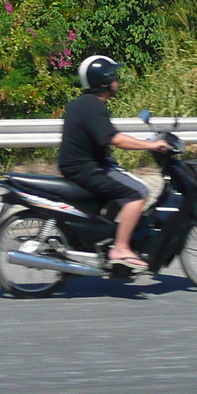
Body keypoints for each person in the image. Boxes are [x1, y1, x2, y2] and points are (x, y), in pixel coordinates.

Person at [57, 54, 167, 272]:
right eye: (114, 76)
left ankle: (102, 234)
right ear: (103, 81)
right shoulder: (93, 106)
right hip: (86, 168)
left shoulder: (84, 103)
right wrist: (151, 145)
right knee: (138, 192)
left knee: (122, 184)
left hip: (83, 165)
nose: (117, 81)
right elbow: (115, 139)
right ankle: (120, 248)